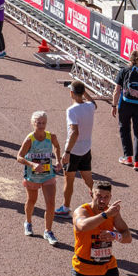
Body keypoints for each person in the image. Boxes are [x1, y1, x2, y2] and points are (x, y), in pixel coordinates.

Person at [17, 110, 63, 244]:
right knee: (32, 200)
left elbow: (57, 146)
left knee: (50, 203)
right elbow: (19, 157)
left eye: (43, 123)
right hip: (33, 176)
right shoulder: (29, 139)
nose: (41, 125)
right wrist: (32, 164)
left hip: (48, 175)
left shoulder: (51, 136)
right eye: (38, 123)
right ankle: (28, 222)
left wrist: (58, 160)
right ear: (33, 124)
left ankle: (48, 231)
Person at [71, 181, 131, 276]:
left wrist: (115, 236)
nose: (102, 201)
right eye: (99, 196)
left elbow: (128, 237)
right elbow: (83, 226)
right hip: (84, 269)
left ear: (110, 197)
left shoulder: (112, 213)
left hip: (108, 267)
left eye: (106, 197)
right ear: (91, 194)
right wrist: (105, 215)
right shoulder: (81, 211)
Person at [57, 81, 97, 218]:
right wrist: (84, 91)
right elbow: (93, 102)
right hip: (86, 149)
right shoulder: (90, 106)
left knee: (69, 181)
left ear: (71, 93)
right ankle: (98, 205)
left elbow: (74, 132)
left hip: (74, 151)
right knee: (88, 180)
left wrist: (67, 152)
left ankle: (65, 208)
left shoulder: (71, 110)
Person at [111, 49, 138, 169]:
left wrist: (114, 106)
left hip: (125, 105)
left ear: (129, 58)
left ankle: (127, 157)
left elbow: (116, 91)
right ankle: (137, 162)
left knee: (124, 130)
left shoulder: (124, 71)